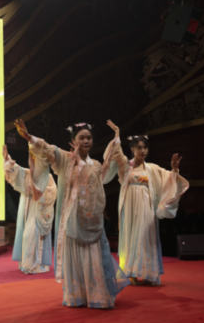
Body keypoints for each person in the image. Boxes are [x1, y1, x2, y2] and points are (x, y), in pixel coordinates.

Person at [14, 118, 128, 309]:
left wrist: (116, 138)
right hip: (72, 219)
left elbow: (105, 174)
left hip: (92, 220)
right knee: (76, 255)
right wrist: (29, 137)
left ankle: (97, 294)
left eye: (89, 138)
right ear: (73, 140)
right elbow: (48, 149)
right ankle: (78, 294)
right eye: (81, 138)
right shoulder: (66, 160)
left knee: (95, 255)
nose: (86, 141)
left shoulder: (96, 165)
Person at [111, 131, 188, 286]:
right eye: (139, 147)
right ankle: (132, 272)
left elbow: (168, 179)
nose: (143, 150)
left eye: (145, 147)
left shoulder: (152, 168)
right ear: (132, 149)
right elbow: (117, 154)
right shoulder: (126, 166)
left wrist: (174, 170)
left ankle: (147, 272)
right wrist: (117, 135)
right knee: (131, 236)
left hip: (146, 206)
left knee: (146, 236)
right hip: (130, 207)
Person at [3, 144, 56, 274]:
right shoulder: (27, 173)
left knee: (33, 235)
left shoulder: (48, 177)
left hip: (38, 210)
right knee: (26, 235)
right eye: (33, 157)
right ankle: (26, 263)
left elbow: (52, 193)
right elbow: (15, 171)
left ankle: (37, 264)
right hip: (26, 208)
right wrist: (7, 160)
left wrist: (39, 192)